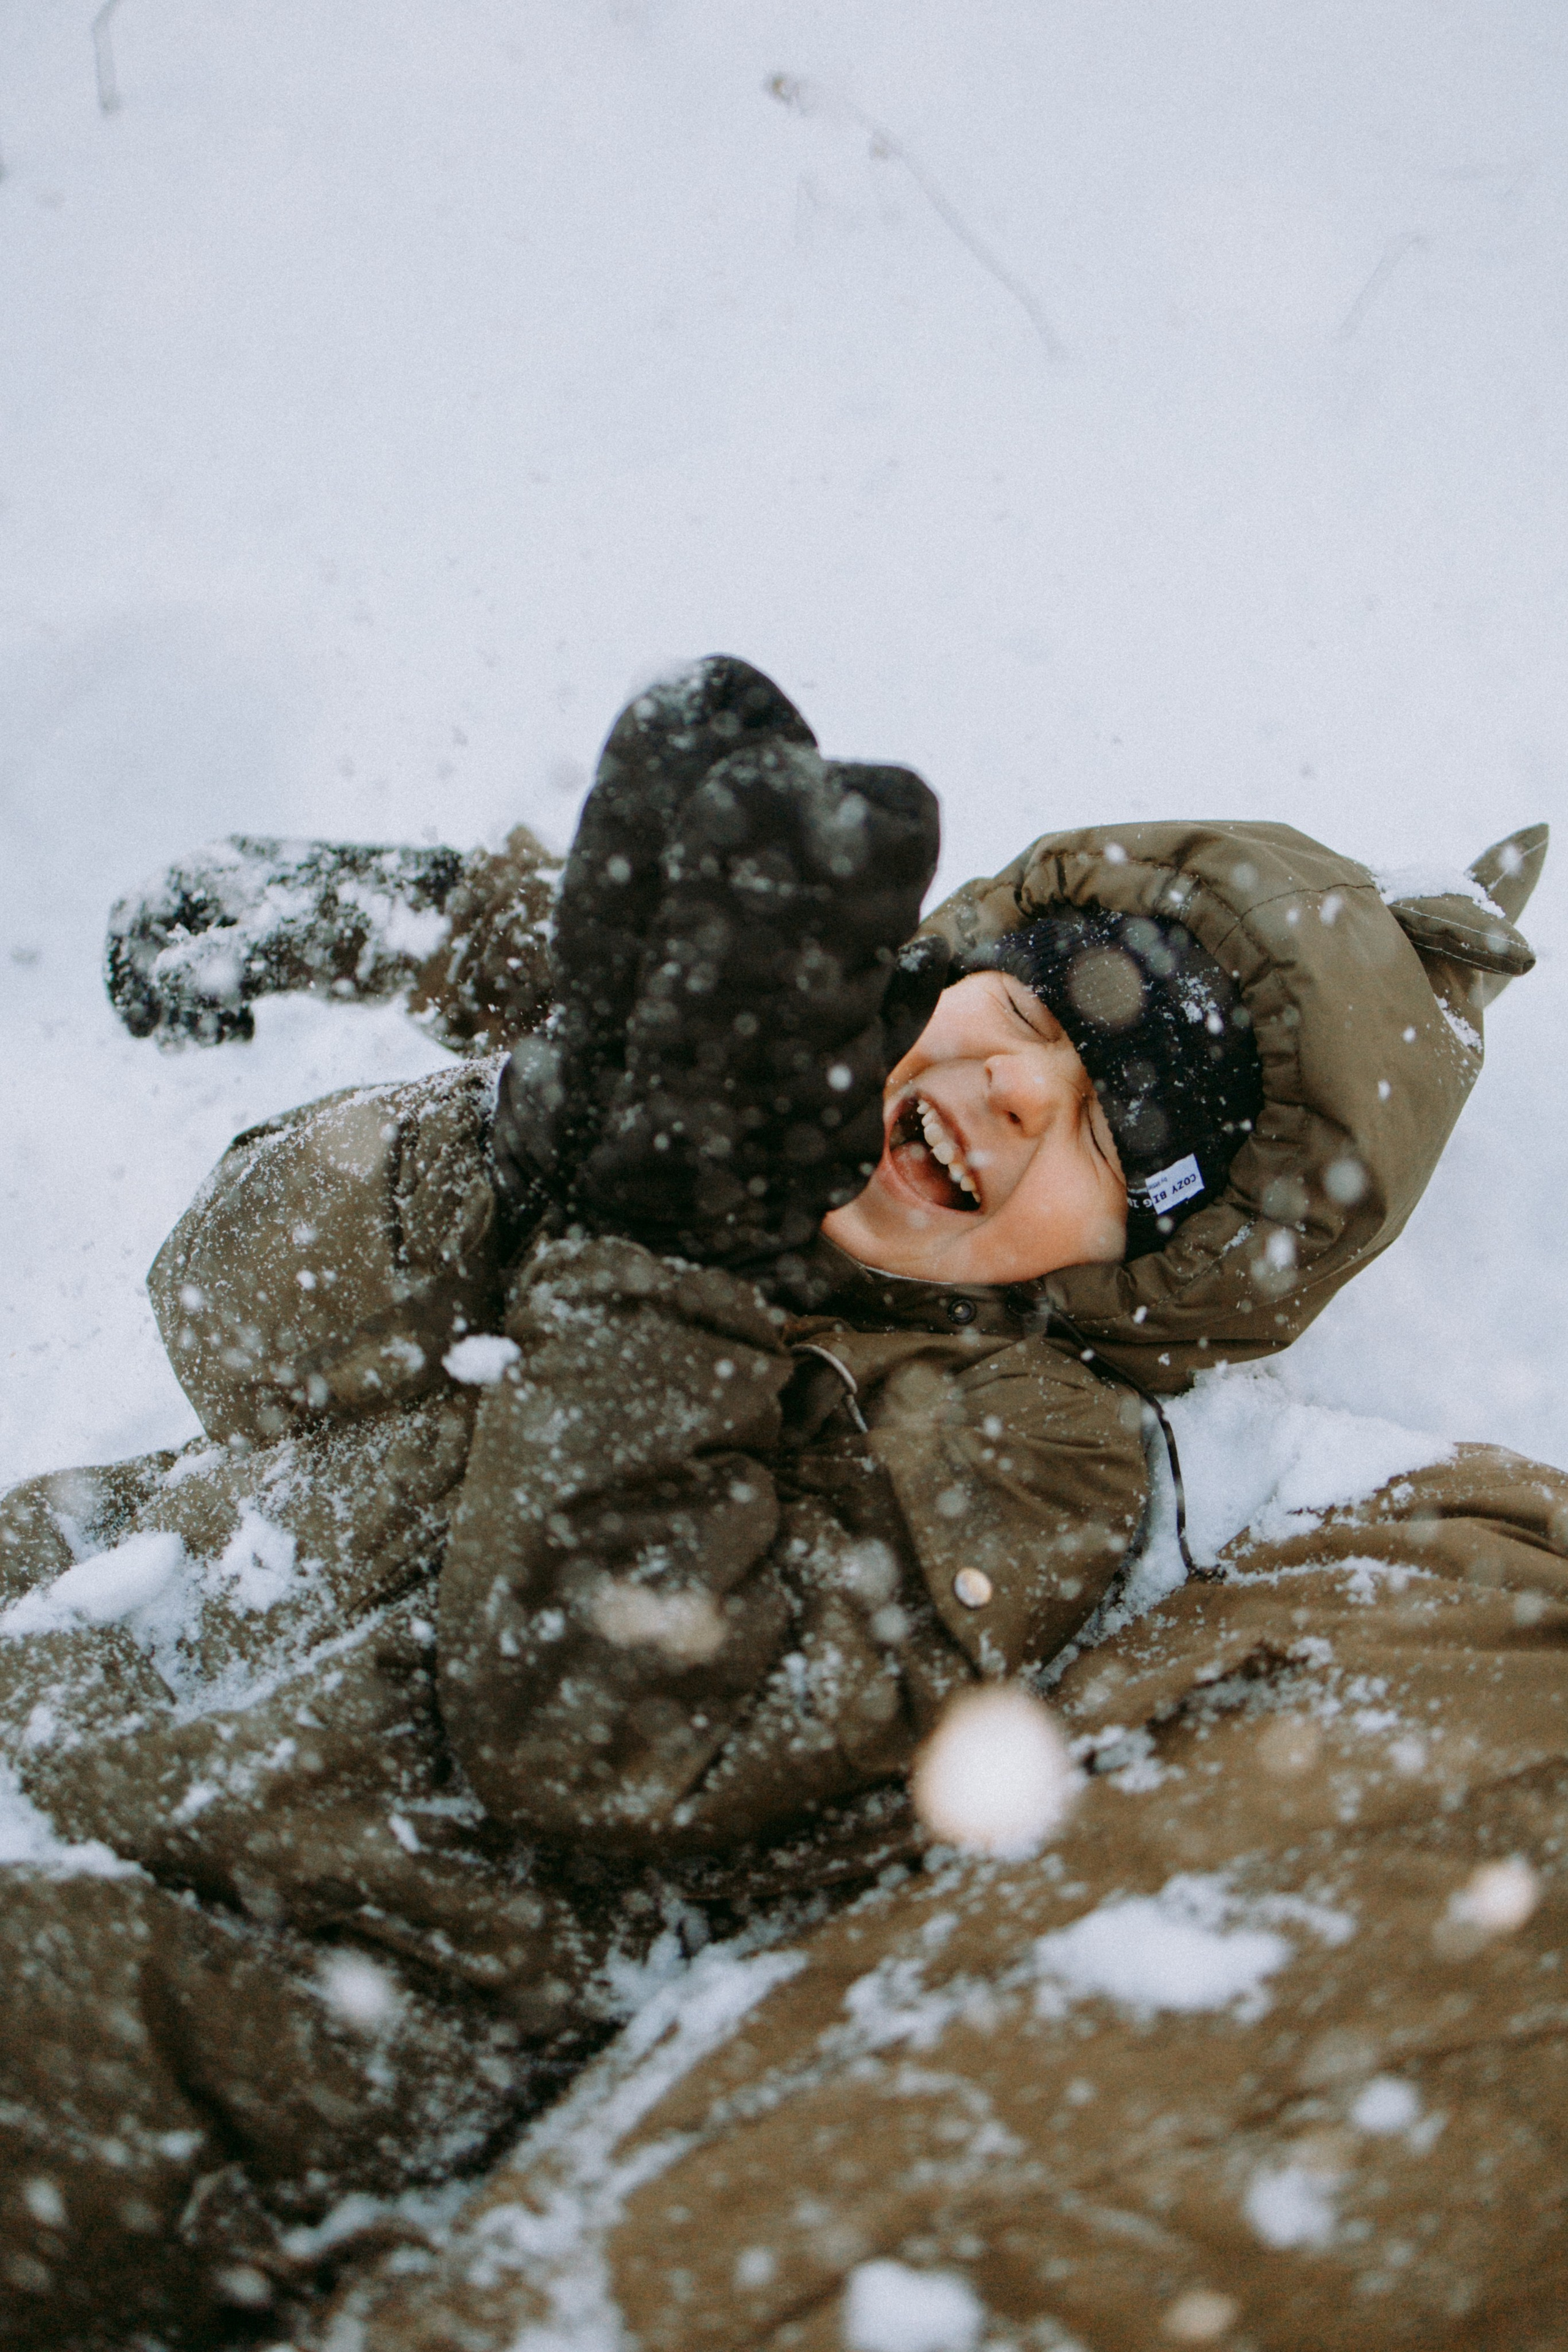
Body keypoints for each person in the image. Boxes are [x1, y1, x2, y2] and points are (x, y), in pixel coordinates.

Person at [0, 658, 1551, 2350]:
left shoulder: (1043, 1452)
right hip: (69, 1651)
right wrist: (543, 1123)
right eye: (1030, 1013)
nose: (1023, 1088)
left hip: (270, 1988)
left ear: (1149, 1274)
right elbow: (228, 1320)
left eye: (1120, 1134)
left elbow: (606, 1732)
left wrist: (662, 1255)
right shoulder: (723, 1111)